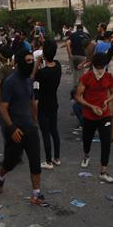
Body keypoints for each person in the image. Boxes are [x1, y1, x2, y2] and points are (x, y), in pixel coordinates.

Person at [0, 50, 48, 206]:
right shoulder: (10, 82)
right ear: (18, 63)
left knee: (35, 161)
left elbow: (31, 102)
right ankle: (0, 176)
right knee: (12, 161)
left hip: (30, 128)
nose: (31, 63)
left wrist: (35, 122)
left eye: (32, 60)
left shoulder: (29, 81)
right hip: (15, 129)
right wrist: (11, 128)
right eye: (28, 61)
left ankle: (36, 194)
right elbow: (3, 108)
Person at [75, 52, 113, 183]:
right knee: (87, 140)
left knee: (106, 142)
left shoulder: (108, 77)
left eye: (102, 67)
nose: (100, 70)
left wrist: (107, 101)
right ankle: (86, 155)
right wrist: (91, 106)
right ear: (93, 65)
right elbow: (78, 96)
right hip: (89, 115)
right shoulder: (86, 77)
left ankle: (103, 171)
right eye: (97, 67)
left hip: (104, 115)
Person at [34, 40, 62, 169]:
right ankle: (57, 158)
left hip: (43, 103)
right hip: (53, 102)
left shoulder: (42, 72)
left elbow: (32, 77)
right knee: (54, 130)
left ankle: (48, 161)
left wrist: (37, 63)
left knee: (45, 132)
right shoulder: (58, 66)